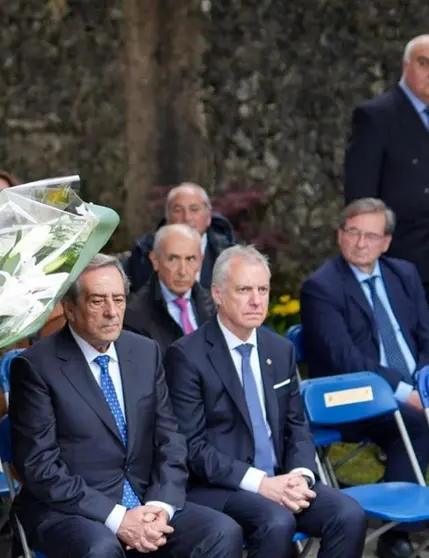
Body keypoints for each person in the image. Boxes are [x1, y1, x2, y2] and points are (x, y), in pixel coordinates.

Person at [10, 253, 244, 558]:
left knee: (222, 532)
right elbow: (40, 468)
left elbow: (171, 439)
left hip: (146, 499)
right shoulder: (35, 367)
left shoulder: (145, 352)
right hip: (71, 510)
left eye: (118, 300)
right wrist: (118, 517)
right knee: (102, 550)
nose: (111, 312)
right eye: (97, 301)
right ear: (69, 308)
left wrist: (161, 505)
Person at [164, 246, 367, 558]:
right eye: (244, 289)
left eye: (263, 289)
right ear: (217, 295)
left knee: (349, 515)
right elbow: (191, 447)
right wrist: (261, 484)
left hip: (282, 479)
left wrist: (301, 475)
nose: (257, 300)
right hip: (219, 487)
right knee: (276, 521)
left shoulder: (279, 349)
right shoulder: (187, 356)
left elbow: (296, 425)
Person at [301, 198, 429, 558]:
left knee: (415, 416)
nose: (361, 243)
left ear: (386, 241)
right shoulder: (321, 287)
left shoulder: (403, 273)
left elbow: (424, 337)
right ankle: (396, 535)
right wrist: (406, 393)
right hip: (353, 399)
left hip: (414, 388)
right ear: (340, 235)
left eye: (370, 235)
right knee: (415, 423)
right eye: (353, 232)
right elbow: (346, 360)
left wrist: (424, 383)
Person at [344, 35, 429, 302]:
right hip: (404, 264)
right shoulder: (377, 117)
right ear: (406, 66)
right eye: (424, 63)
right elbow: (361, 197)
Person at [124, 183, 236, 293]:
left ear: (208, 217)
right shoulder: (144, 253)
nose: (186, 217)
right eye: (178, 210)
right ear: (167, 217)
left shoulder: (228, 253)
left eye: (194, 209)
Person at [124, 224, 215, 353]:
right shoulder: (134, 316)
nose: (183, 271)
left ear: (201, 261)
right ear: (155, 260)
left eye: (190, 259)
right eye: (173, 259)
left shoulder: (216, 306)